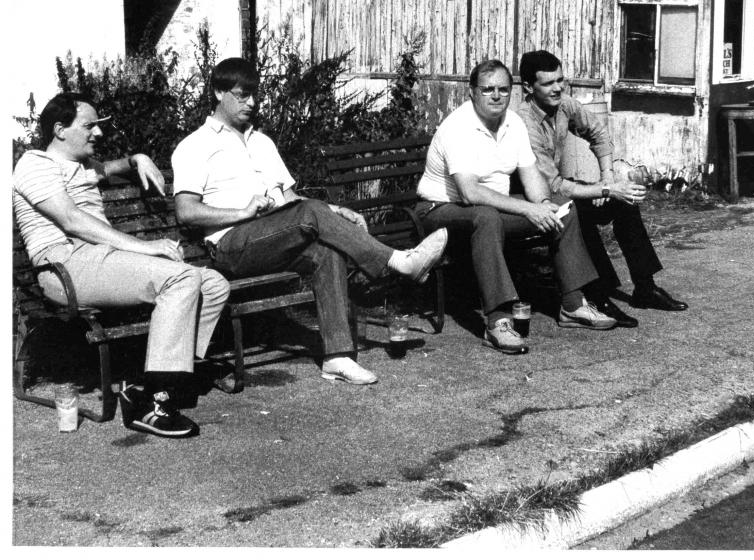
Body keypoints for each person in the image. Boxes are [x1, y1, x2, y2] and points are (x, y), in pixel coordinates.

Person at [171, 58, 448, 386]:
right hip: (231, 246)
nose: (252, 103)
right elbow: (186, 211)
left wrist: (336, 212)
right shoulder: (195, 146)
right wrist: (241, 213)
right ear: (219, 92)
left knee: (324, 252)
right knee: (314, 214)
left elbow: (292, 203)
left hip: (274, 236)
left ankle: (337, 357)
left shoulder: (262, 143)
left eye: (254, 95)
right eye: (242, 95)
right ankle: (398, 261)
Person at [12, 93, 230, 439]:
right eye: (89, 126)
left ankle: (148, 384)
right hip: (64, 266)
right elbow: (71, 221)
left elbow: (114, 167)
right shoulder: (35, 164)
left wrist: (137, 158)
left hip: (100, 260)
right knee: (182, 278)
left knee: (214, 283)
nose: (98, 134)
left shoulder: (85, 166)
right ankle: (153, 404)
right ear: (59, 130)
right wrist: (146, 248)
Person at [414, 59, 617, 355]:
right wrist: (526, 210)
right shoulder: (458, 127)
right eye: (488, 89)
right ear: (471, 93)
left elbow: (532, 179)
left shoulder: (514, 124)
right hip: (439, 211)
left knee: (563, 208)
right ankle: (496, 321)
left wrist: (545, 206)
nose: (496, 96)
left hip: (491, 211)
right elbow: (470, 194)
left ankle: (573, 305)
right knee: (485, 217)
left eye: (503, 89)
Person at [515, 50, 688, 326]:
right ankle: (600, 296)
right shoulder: (524, 123)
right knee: (578, 214)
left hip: (558, 191)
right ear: (527, 87)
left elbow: (597, 133)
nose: (557, 87)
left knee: (624, 203)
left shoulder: (563, 105)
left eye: (560, 80)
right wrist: (604, 190)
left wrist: (607, 179)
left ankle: (645, 287)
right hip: (530, 200)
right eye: (548, 83)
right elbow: (553, 185)